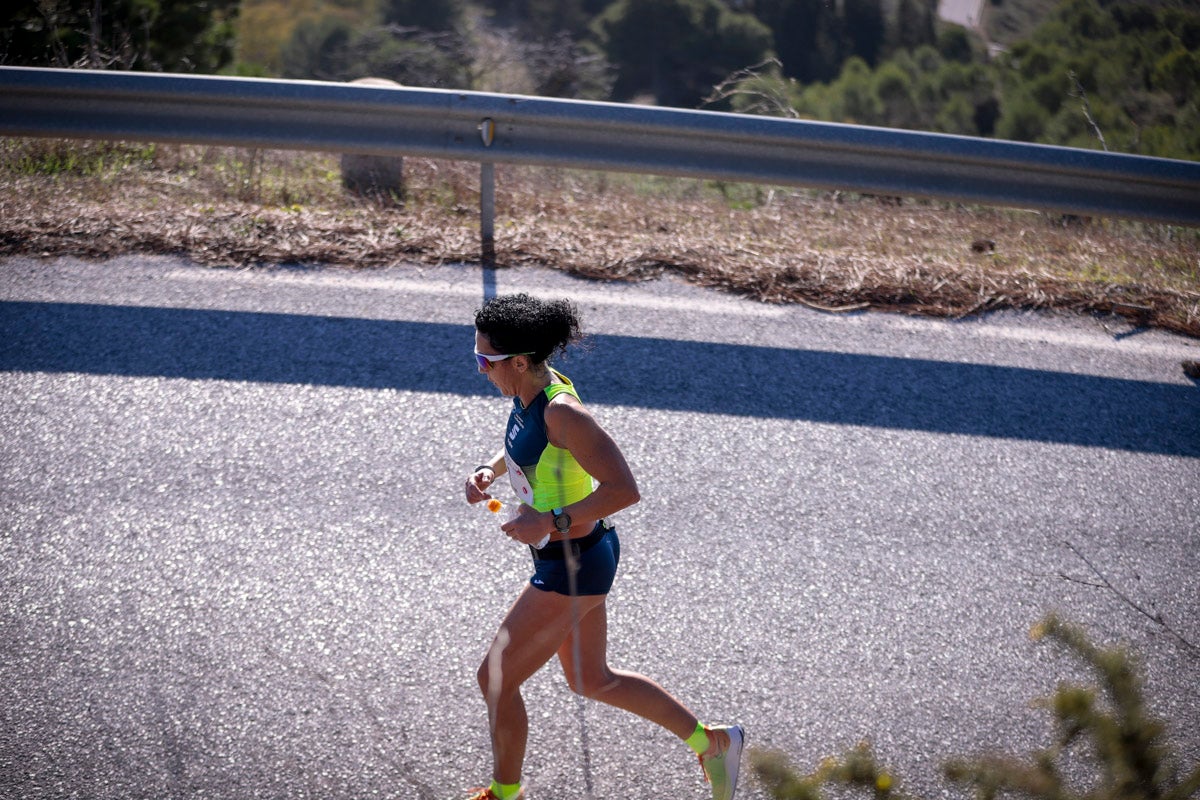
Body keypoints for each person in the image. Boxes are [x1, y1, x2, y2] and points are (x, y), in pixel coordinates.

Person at [462, 293, 744, 800]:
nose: (480, 370)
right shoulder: (528, 390)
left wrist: (548, 520)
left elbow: (624, 490)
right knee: (592, 679)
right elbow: (525, 445)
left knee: (496, 679)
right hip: (578, 556)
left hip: (572, 563)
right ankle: (714, 743)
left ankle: (504, 795)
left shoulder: (563, 412)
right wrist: (490, 468)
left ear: (520, 362)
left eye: (486, 361)